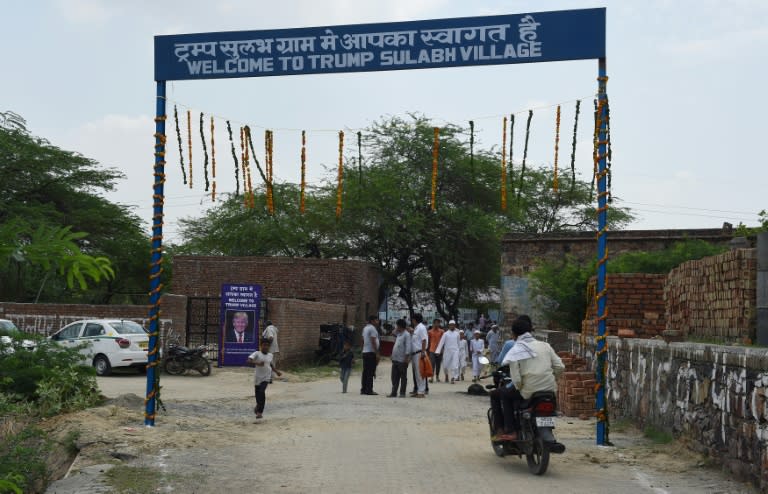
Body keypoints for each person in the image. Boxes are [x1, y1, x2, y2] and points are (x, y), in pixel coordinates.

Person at [500, 316, 565, 438]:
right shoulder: (545, 345)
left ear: (514, 334)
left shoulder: (516, 349)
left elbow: (517, 380)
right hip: (549, 390)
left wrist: (520, 387)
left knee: (504, 395)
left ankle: (511, 431)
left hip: (529, 391)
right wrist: (552, 378)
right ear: (530, 331)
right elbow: (560, 367)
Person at [247, 338, 282, 419]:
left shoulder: (270, 355)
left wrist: (276, 372)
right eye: (264, 345)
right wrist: (258, 363)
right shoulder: (257, 353)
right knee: (258, 395)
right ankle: (258, 406)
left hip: (266, 377)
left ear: (269, 346)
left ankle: (259, 412)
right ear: (261, 346)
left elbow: (270, 364)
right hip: (257, 378)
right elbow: (249, 360)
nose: (266, 347)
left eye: (267, 345)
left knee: (262, 392)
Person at [388, 319, 411, 398]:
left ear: (400, 326)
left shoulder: (406, 335)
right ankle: (394, 392)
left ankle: (402, 392)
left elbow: (408, 347)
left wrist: (406, 358)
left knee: (403, 377)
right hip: (395, 359)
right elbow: (392, 334)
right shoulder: (399, 334)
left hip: (402, 359)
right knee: (394, 377)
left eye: (397, 325)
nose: (396, 327)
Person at [435, 320, 461, 384]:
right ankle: (446, 375)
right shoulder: (445, 334)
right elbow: (441, 343)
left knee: (454, 365)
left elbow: (458, 343)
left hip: (455, 351)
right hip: (447, 351)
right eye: (451, 325)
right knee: (445, 365)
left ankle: (453, 378)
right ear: (449, 326)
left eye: (453, 325)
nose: (452, 326)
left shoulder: (457, 334)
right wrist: (438, 351)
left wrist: (459, 352)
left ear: (455, 326)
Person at [409, 313, 428, 398]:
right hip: (414, 353)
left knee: (420, 372)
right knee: (417, 373)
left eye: (412, 319)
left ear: (415, 320)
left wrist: (423, 352)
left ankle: (421, 391)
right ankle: (418, 390)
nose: (412, 321)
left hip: (420, 352)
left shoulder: (421, 327)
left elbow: (424, 340)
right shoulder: (416, 328)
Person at [360, 315, 380, 395]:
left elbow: (362, 339)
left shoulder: (365, 328)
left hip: (365, 352)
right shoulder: (372, 328)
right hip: (371, 353)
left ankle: (363, 389)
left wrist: (363, 349)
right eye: (376, 320)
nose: (377, 322)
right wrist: (376, 352)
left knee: (365, 371)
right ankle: (369, 390)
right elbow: (373, 341)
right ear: (372, 321)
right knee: (370, 371)